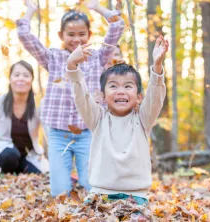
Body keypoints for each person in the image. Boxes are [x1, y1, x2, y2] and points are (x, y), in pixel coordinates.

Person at [16, 0, 125, 197]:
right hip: (58, 133)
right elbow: (25, 36)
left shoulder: (99, 58)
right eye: (71, 34)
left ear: (89, 35)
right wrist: (30, 11)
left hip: (88, 133)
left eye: (82, 34)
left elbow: (117, 26)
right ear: (61, 36)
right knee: (60, 192)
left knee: (92, 188)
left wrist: (98, 8)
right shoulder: (53, 57)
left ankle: (86, 185)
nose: (77, 39)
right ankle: (66, 185)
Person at [65, 36, 169, 219]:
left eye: (128, 86)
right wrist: (72, 66)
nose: (121, 91)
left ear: (139, 97)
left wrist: (158, 66)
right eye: (113, 86)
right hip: (99, 195)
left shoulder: (143, 119)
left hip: (136, 197)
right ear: (103, 96)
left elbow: (156, 94)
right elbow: (81, 96)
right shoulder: (97, 118)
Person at [0, 60, 49, 174]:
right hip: (4, 151)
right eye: (16, 75)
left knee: (44, 174)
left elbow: (50, 134)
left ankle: (22, 170)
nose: (21, 79)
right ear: (10, 79)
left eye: (26, 75)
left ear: (32, 80)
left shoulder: (39, 105)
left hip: (30, 154)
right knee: (10, 155)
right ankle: (6, 173)